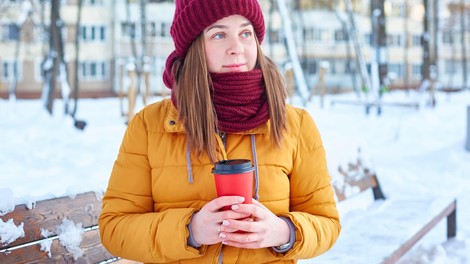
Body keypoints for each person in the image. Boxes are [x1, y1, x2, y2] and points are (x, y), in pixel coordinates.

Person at [98, 0, 341, 263]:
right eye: (219, 34)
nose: (236, 48)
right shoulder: (149, 125)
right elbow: (114, 228)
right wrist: (189, 231)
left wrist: (284, 232)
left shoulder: (295, 124)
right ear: (193, 47)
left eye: (245, 33)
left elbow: (327, 223)